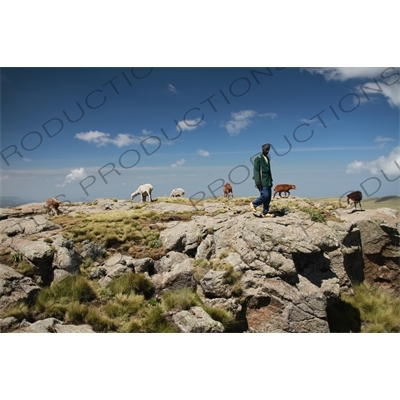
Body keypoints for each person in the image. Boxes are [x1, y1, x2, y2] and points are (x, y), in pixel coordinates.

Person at [250, 143, 274, 217]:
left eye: (268, 149)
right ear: (262, 149)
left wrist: (271, 180)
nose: (267, 151)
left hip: (268, 181)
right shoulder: (258, 158)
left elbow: (269, 171)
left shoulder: (267, 158)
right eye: (266, 149)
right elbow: (256, 170)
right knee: (265, 195)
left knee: (268, 197)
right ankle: (254, 204)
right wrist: (257, 182)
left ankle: (265, 212)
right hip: (262, 181)